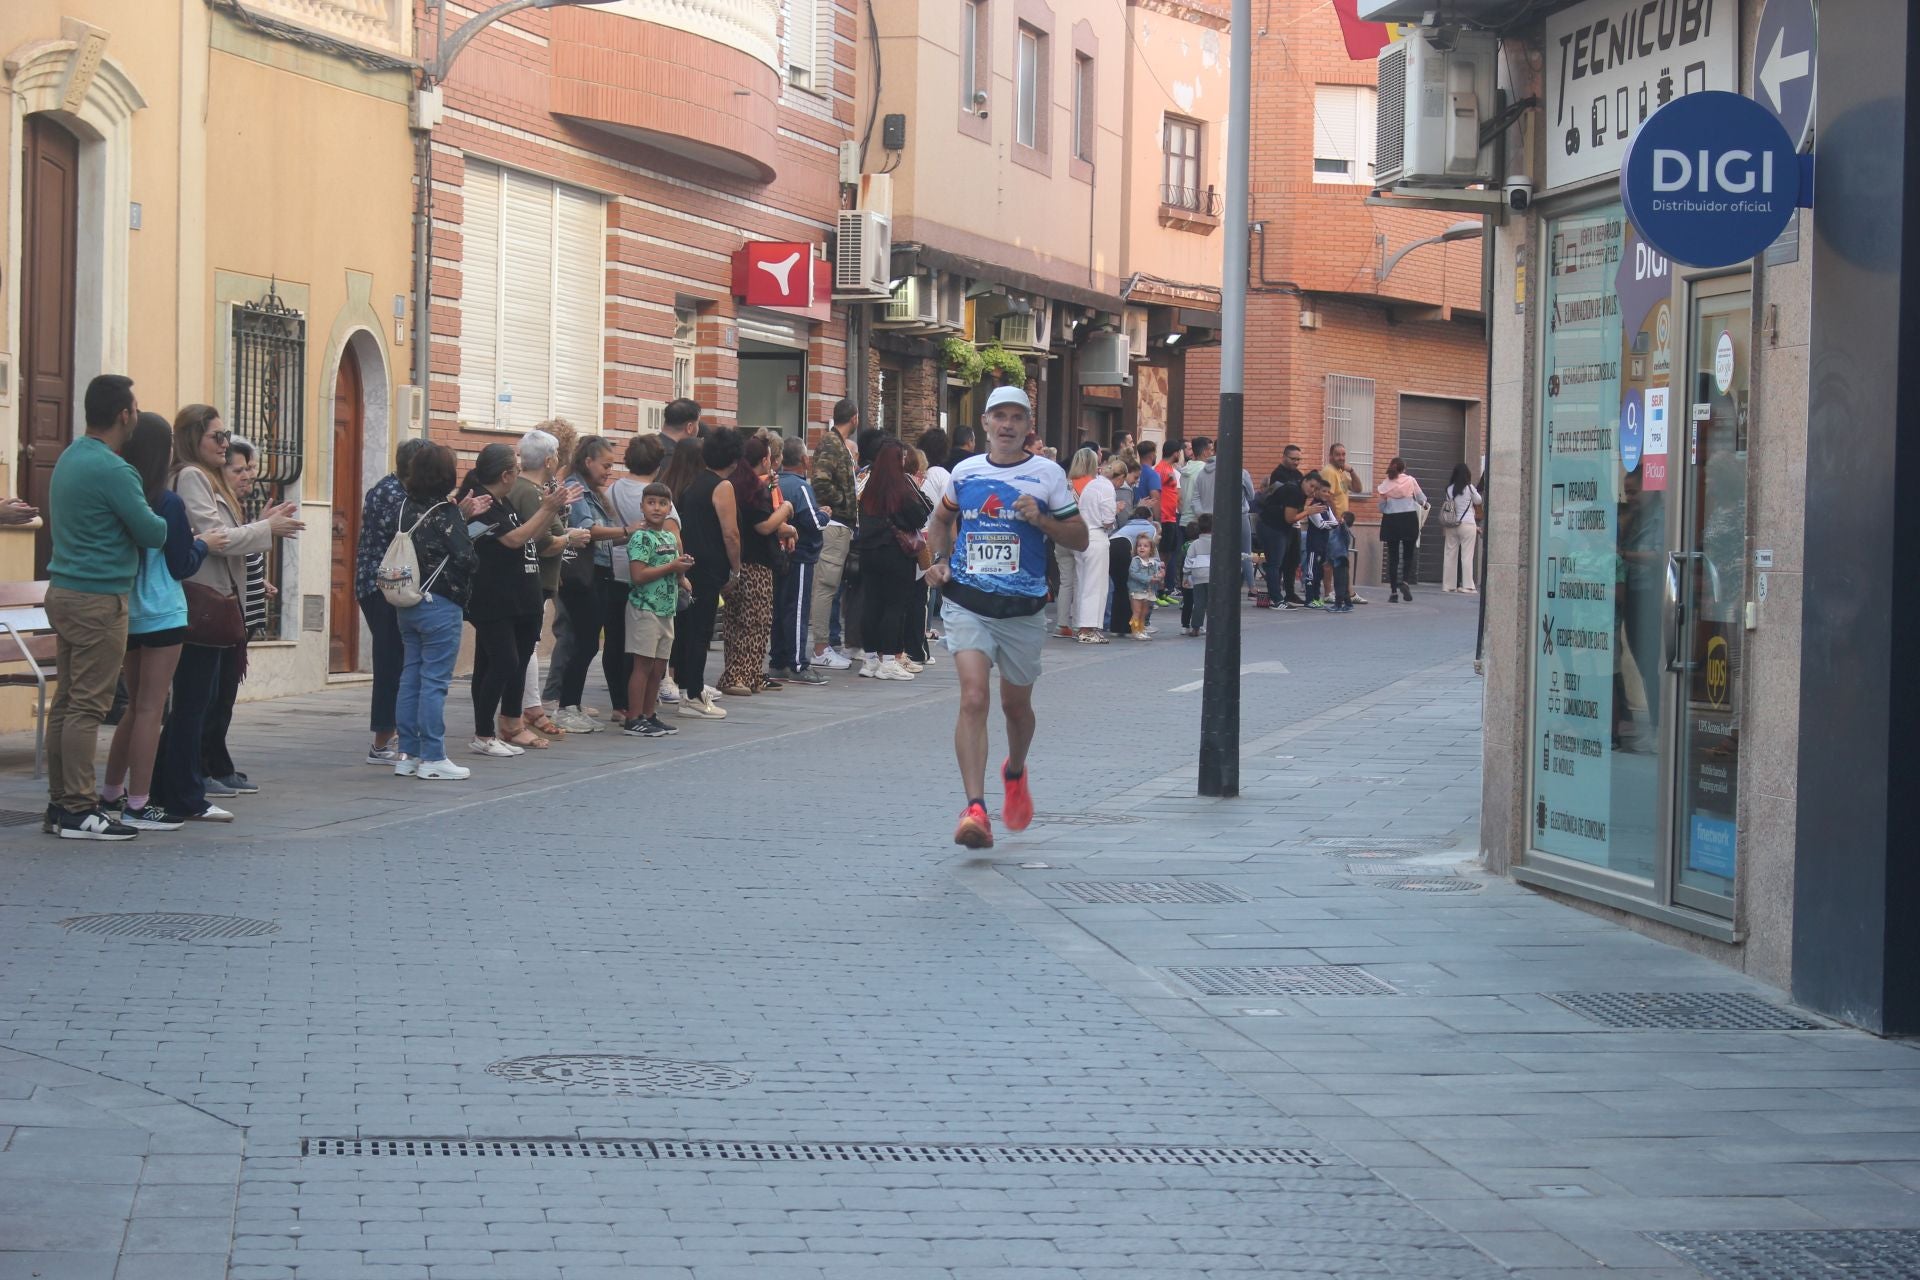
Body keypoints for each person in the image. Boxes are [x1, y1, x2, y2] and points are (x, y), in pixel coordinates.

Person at [925, 385, 1089, 849]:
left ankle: (1014, 771)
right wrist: (937, 559)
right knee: (974, 697)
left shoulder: (1048, 475)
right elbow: (940, 520)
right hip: (968, 600)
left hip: (1022, 609)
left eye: (1016, 417)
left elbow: (1079, 539)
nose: (1007, 425)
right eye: (999, 416)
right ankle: (975, 808)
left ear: (1027, 427)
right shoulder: (964, 471)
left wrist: (1042, 520)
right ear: (985, 423)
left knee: (1015, 706)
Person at [152, 404, 303, 822]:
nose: (225, 443)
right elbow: (212, 537)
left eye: (226, 434)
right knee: (192, 705)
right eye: (217, 436)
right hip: (203, 602)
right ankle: (183, 794)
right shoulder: (191, 477)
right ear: (192, 439)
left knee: (198, 703)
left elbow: (227, 537)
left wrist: (262, 524)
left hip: (217, 601)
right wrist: (264, 529)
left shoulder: (206, 478)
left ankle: (173, 789)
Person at [40, 376, 169, 839]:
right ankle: (77, 807)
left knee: (68, 701)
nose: (136, 413)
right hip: (98, 598)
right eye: (135, 406)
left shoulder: (70, 457)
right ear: (124, 415)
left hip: (65, 591)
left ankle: (61, 804)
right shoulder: (115, 470)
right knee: (87, 706)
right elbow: (152, 531)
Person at [97, 412, 216, 831]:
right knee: (152, 709)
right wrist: (203, 544)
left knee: (133, 708)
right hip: (163, 611)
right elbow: (182, 563)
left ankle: (111, 794)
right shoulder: (168, 502)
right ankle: (139, 804)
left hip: (127, 610)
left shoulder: (123, 495)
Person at [457, 443, 577, 756]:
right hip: (493, 598)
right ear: (507, 474)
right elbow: (513, 539)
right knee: (502, 662)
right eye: (516, 467)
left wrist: (551, 512)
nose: (519, 471)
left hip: (521, 594)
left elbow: (527, 534)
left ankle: (504, 727)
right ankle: (484, 733)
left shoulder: (503, 500)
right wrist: (548, 509)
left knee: (509, 661)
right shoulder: (479, 502)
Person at [391, 443, 477, 780]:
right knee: (434, 681)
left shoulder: (406, 508)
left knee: (410, 676)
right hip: (440, 603)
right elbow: (467, 558)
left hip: (409, 601)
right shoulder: (445, 512)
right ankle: (433, 757)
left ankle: (407, 754)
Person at [200, 436, 272, 795]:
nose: (247, 476)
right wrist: (267, 527)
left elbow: (243, 553)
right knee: (213, 697)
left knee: (225, 694)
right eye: (238, 469)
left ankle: (218, 762)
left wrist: (261, 580)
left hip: (240, 609)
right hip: (220, 610)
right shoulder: (213, 504)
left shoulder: (235, 504)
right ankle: (209, 766)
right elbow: (228, 543)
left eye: (250, 469)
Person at [353, 438, 427, 766]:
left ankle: (392, 732)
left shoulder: (393, 489)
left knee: (396, 657)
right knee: (390, 659)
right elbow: (417, 531)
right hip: (383, 585)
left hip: (384, 583)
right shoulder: (393, 495)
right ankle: (382, 739)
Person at [555, 437, 634, 731]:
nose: (609, 471)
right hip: (583, 575)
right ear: (588, 461)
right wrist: (625, 529)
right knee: (584, 641)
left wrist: (630, 534)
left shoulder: (592, 491)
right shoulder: (576, 489)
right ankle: (566, 706)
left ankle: (572, 704)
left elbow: (605, 535)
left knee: (588, 642)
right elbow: (587, 530)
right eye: (606, 465)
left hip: (599, 571)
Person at [670, 427, 743, 719]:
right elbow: (731, 534)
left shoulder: (693, 483)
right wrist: (736, 570)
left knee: (688, 630)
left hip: (690, 563)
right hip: (710, 567)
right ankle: (693, 695)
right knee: (700, 632)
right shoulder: (722, 487)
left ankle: (688, 689)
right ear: (734, 460)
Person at [511, 428, 578, 735]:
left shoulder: (522, 488)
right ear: (550, 461)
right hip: (529, 579)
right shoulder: (531, 493)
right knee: (527, 644)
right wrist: (571, 538)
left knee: (528, 644)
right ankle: (525, 709)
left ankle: (528, 706)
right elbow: (542, 541)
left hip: (531, 579)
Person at [719, 432, 794, 696]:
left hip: (741, 560)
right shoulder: (751, 488)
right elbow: (763, 526)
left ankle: (749, 674)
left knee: (742, 622)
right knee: (754, 622)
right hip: (755, 563)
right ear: (765, 459)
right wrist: (786, 509)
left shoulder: (736, 483)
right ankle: (737, 675)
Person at [608, 434, 682, 700]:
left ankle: (621, 704)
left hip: (615, 571)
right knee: (644, 656)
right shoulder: (660, 497)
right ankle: (637, 709)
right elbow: (674, 542)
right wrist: (679, 570)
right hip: (649, 588)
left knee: (617, 643)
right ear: (658, 464)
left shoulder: (612, 490)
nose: (656, 507)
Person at [621, 482, 695, 737]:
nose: (656, 507)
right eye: (651, 502)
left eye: (662, 503)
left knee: (658, 668)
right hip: (645, 608)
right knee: (642, 665)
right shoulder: (641, 537)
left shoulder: (668, 537)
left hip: (666, 610)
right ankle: (633, 717)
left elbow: (671, 569)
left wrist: (682, 574)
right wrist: (672, 568)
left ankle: (650, 715)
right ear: (642, 506)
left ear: (669, 508)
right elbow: (638, 575)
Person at [854, 438, 931, 680]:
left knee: (872, 605)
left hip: (868, 553)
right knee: (894, 606)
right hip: (895, 553)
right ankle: (888, 661)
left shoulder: (868, 489)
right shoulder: (901, 488)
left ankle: (869, 661)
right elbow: (920, 516)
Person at [771, 436, 828, 685]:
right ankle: (797, 663)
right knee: (797, 610)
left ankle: (779, 660)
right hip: (801, 555)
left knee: (780, 608)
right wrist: (824, 515)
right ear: (805, 460)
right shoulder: (801, 486)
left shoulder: (775, 483)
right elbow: (813, 523)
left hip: (778, 556)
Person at [809, 399, 859, 670]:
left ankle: (823, 645)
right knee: (826, 586)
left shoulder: (835, 442)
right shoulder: (831, 443)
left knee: (829, 586)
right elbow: (821, 482)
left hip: (840, 524)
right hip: (835, 524)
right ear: (855, 418)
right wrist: (842, 502)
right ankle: (820, 648)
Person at [1073, 458, 1119, 644]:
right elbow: (1108, 519)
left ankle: (1082, 625)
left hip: (1082, 535)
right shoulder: (1107, 488)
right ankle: (1088, 628)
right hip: (1097, 536)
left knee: (1083, 583)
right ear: (1119, 477)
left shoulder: (1092, 484)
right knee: (1096, 585)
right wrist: (1112, 517)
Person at [1055, 448, 1098, 638]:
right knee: (1082, 581)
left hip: (1061, 536)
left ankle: (1062, 625)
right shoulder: (1094, 485)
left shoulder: (1066, 484)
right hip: (1082, 536)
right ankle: (1080, 623)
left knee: (1065, 582)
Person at [1322, 442, 1370, 603]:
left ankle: (1349, 592)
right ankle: (1328, 592)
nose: (1341, 458)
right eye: (1338, 454)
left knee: (1341, 558)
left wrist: (1352, 470)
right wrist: (1336, 519)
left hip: (1341, 523)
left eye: (1343, 454)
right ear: (1330, 456)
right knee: (1330, 559)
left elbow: (1358, 488)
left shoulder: (1341, 472)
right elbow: (1327, 497)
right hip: (1333, 521)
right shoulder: (1329, 472)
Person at [1377, 456, 1429, 602]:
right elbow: (1421, 499)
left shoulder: (1386, 484)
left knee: (1393, 557)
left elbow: (1381, 507)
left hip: (1391, 521)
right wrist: (1424, 504)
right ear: (1404, 468)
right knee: (1408, 554)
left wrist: (1390, 504)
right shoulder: (1411, 480)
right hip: (1409, 519)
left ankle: (1393, 592)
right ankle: (1405, 582)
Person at [1110, 504, 1159, 635]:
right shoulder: (1150, 528)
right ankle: (1130, 628)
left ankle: (1115, 627)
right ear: (1149, 517)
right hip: (1125, 549)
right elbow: (1150, 550)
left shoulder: (1126, 526)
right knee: (1128, 590)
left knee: (1118, 589)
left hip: (1110, 547)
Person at [1441, 462, 1483, 593]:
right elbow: (1479, 501)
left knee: (1449, 554)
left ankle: (1448, 585)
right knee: (1466, 556)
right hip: (1467, 524)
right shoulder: (1469, 488)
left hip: (1451, 524)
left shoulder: (1449, 489)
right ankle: (1468, 586)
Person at [1154, 443, 1183, 606]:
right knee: (1162, 555)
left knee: (1168, 554)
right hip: (1165, 517)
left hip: (1171, 517)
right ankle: (1157, 590)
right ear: (1175, 452)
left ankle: (1163, 589)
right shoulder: (1162, 469)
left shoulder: (1170, 468)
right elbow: (1157, 492)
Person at [1126, 532, 1163, 640]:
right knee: (1137, 611)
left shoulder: (1154, 562)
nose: (1142, 548)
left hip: (1149, 590)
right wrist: (1149, 578)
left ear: (1151, 549)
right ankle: (1135, 631)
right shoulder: (1136, 561)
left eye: (1145, 546)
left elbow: (1157, 574)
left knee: (1144, 612)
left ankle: (1141, 629)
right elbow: (1133, 573)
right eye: (1139, 545)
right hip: (1136, 590)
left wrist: (1159, 576)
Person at [1182, 513, 1213, 637]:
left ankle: (1195, 627)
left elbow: (1189, 560)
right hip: (1213, 575)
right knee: (1213, 602)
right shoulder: (1219, 542)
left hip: (1198, 575)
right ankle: (1213, 626)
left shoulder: (1195, 544)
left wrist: (1186, 576)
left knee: (1199, 602)